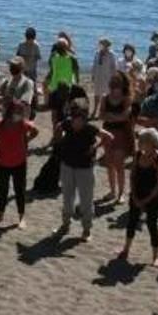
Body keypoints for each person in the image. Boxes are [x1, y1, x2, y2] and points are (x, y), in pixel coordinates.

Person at [54, 103, 111, 242]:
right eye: (75, 119)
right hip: (68, 165)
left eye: (80, 119)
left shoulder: (90, 129)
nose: (76, 122)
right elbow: (58, 127)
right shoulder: (67, 123)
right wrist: (59, 139)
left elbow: (109, 137)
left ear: (84, 120)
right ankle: (65, 224)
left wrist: (95, 147)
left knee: (86, 199)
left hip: (85, 168)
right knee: (68, 197)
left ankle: (86, 229)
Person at [0, 100, 39, 228]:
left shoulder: (22, 124)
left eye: (21, 112)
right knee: (3, 189)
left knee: (19, 190)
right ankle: (0, 215)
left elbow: (35, 131)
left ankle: (21, 217)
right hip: (1, 162)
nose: (19, 114)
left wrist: (26, 141)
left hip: (19, 162)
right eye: (17, 111)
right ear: (10, 112)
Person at [120, 128, 158, 266]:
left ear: (151, 143)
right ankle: (126, 249)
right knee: (132, 221)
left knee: (152, 224)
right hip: (138, 192)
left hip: (153, 195)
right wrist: (134, 195)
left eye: (142, 141)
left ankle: (155, 257)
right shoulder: (137, 155)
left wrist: (147, 200)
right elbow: (133, 175)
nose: (139, 143)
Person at [100, 71, 135, 203]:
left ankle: (121, 193)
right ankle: (112, 191)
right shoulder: (105, 98)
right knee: (109, 164)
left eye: (117, 85)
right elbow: (101, 115)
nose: (115, 88)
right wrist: (115, 117)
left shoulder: (126, 99)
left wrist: (111, 116)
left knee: (119, 165)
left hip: (121, 135)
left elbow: (124, 116)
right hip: (107, 133)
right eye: (113, 85)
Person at [91, 38, 116, 118]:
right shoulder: (97, 53)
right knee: (97, 93)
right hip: (98, 76)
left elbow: (113, 67)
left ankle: (103, 111)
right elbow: (94, 64)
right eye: (100, 44)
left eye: (102, 44)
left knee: (106, 94)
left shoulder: (111, 54)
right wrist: (93, 74)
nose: (101, 46)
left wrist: (113, 77)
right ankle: (95, 110)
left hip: (107, 77)